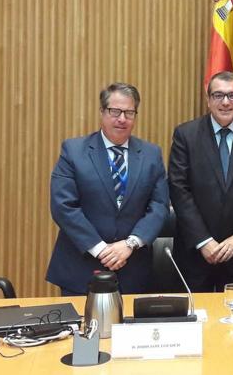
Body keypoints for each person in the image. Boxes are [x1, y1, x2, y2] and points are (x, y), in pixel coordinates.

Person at [46, 82, 169, 295]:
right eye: (115, 111)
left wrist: (130, 244)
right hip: (81, 269)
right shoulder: (74, 151)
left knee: (131, 328)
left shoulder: (151, 154)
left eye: (129, 112)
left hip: (133, 269)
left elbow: (159, 206)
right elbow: (63, 206)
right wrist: (101, 249)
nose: (122, 118)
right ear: (102, 112)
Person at [168, 71, 233, 292]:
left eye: (232, 95)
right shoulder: (186, 135)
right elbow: (179, 190)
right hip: (195, 253)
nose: (225, 102)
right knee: (196, 321)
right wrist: (204, 241)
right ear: (208, 100)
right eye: (218, 95)